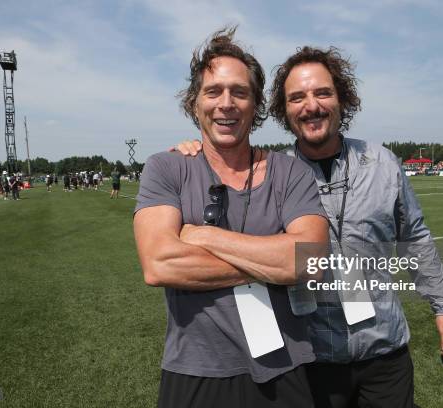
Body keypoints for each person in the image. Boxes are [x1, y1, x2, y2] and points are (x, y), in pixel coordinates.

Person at [175, 46, 443, 408]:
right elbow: (222, 166)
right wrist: (194, 150)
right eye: (297, 97)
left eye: (322, 93)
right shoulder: (270, 172)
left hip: (384, 351)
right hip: (309, 358)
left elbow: (415, 237)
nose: (310, 106)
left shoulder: (382, 163)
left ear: (342, 98)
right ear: (283, 109)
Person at [133, 28, 329, 408]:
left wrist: (204, 237)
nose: (226, 103)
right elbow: (159, 264)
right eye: (213, 91)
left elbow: (311, 260)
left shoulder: (289, 172)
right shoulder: (166, 168)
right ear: (194, 104)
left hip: (283, 368)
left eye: (239, 92)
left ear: (255, 105)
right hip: (195, 369)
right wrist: (273, 262)